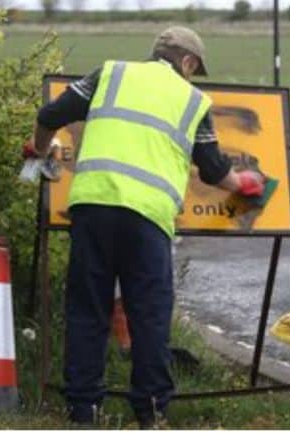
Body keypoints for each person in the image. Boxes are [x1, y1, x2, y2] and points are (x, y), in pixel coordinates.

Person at [25, 26, 265, 427]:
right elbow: (212, 169)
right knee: (149, 316)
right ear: (187, 62)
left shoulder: (110, 73)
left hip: (92, 207)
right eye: (194, 68)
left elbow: (49, 116)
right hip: (147, 218)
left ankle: (83, 411)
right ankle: (151, 412)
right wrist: (243, 183)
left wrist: (40, 149)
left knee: (88, 310)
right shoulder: (192, 100)